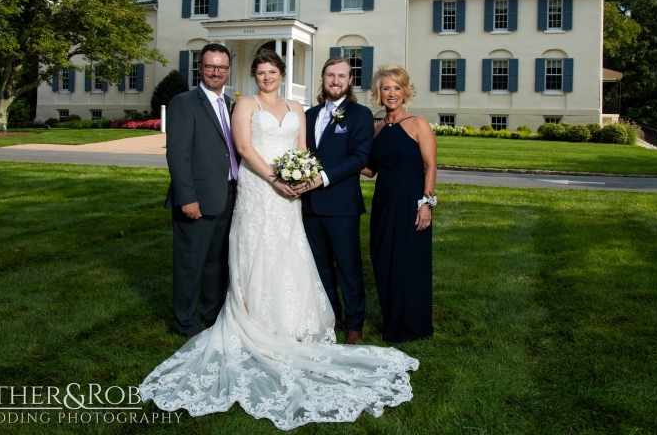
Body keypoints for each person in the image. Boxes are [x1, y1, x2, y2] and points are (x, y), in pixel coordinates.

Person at [140, 49, 418, 430]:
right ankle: (252, 317)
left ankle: (313, 321)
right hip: (259, 188)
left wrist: (302, 176)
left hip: (294, 194)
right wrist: (276, 177)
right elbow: (243, 148)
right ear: (255, 74)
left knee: (294, 253)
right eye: (261, 71)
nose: (267, 76)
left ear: (282, 74)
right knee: (256, 251)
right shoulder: (245, 105)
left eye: (273, 71)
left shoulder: (300, 106)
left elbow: (304, 149)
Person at [294, 57, 374, 345]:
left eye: (342, 75)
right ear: (323, 77)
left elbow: (360, 158)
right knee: (319, 266)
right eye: (330, 75)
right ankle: (331, 315)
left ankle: (355, 324)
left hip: (342, 206)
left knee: (348, 266)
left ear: (350, 81)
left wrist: (322, 178)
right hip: (310, 205)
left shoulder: (360, 114)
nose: (335, 80)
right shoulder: (309, 114)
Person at [163, 43, 238, 336]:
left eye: (221, 67)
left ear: (228, 70)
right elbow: (177, 154)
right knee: (189, 263)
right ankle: (185, 322)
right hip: (197, 197)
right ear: (200, 68)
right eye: (210, 66)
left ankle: (212, 313)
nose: (215, 72)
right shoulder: (184, 102)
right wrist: (187, 197)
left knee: (217, 262)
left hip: (228, 194)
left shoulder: (231, 104)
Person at [362, 64, 437, 343]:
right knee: (384, 260)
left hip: (411, 202)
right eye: (386, 88)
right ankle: (391, 318)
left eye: (396, 88)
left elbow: (430, 167)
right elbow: (371, 170)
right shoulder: (377, 128)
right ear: (378, 94)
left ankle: (414, 325)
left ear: (405, 91)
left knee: (410, 263)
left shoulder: (418, 124)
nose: (391, 93)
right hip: (384, 201)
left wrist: (426, 203)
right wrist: (341, 160)